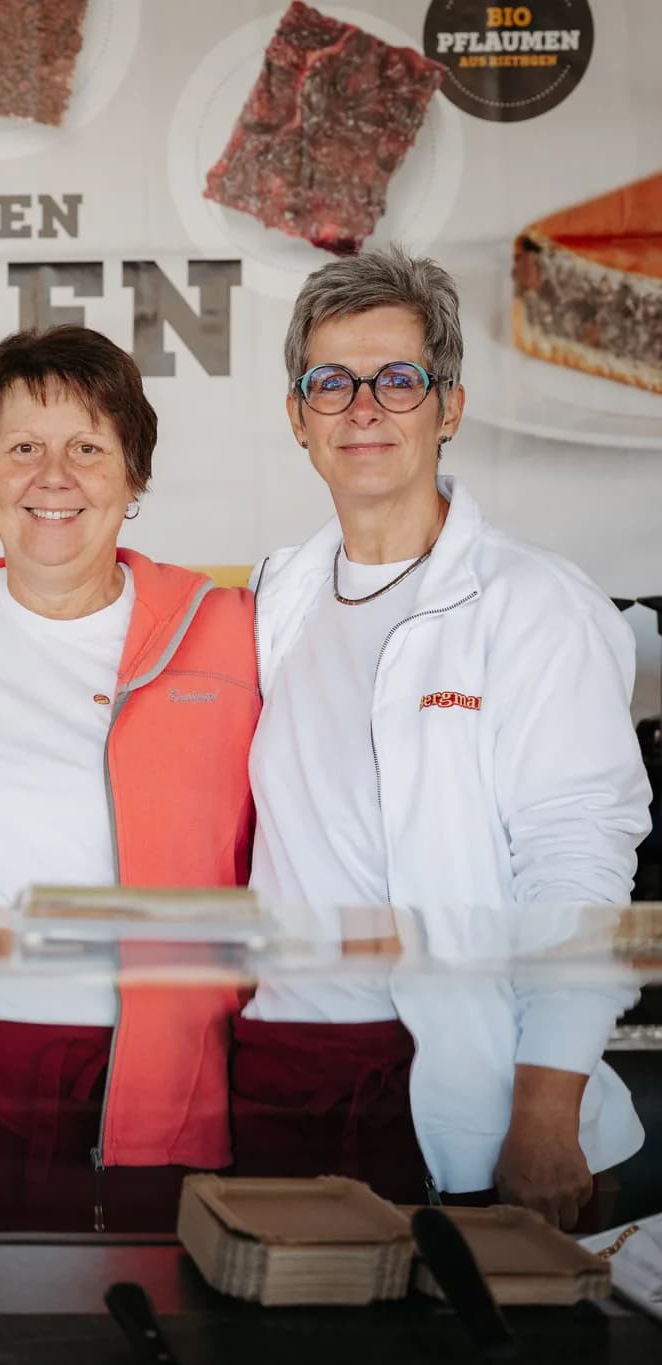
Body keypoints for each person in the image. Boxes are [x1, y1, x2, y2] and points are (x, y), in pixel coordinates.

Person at [239, 246, 648, 1229]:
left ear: (448, 406)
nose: (363, 409)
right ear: (296, 416)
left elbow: (576, 862)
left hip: (456, 1090)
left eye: (398, 380)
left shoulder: (533, 604)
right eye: (330, 383)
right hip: (282, 1075)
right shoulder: (276, 594)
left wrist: (544, 1109)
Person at [0, 324, 260, 1232]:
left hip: (144, 1082)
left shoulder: (231, 632)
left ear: (134, 474)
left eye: (88, 448)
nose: (53, 476)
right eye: (23, 447)